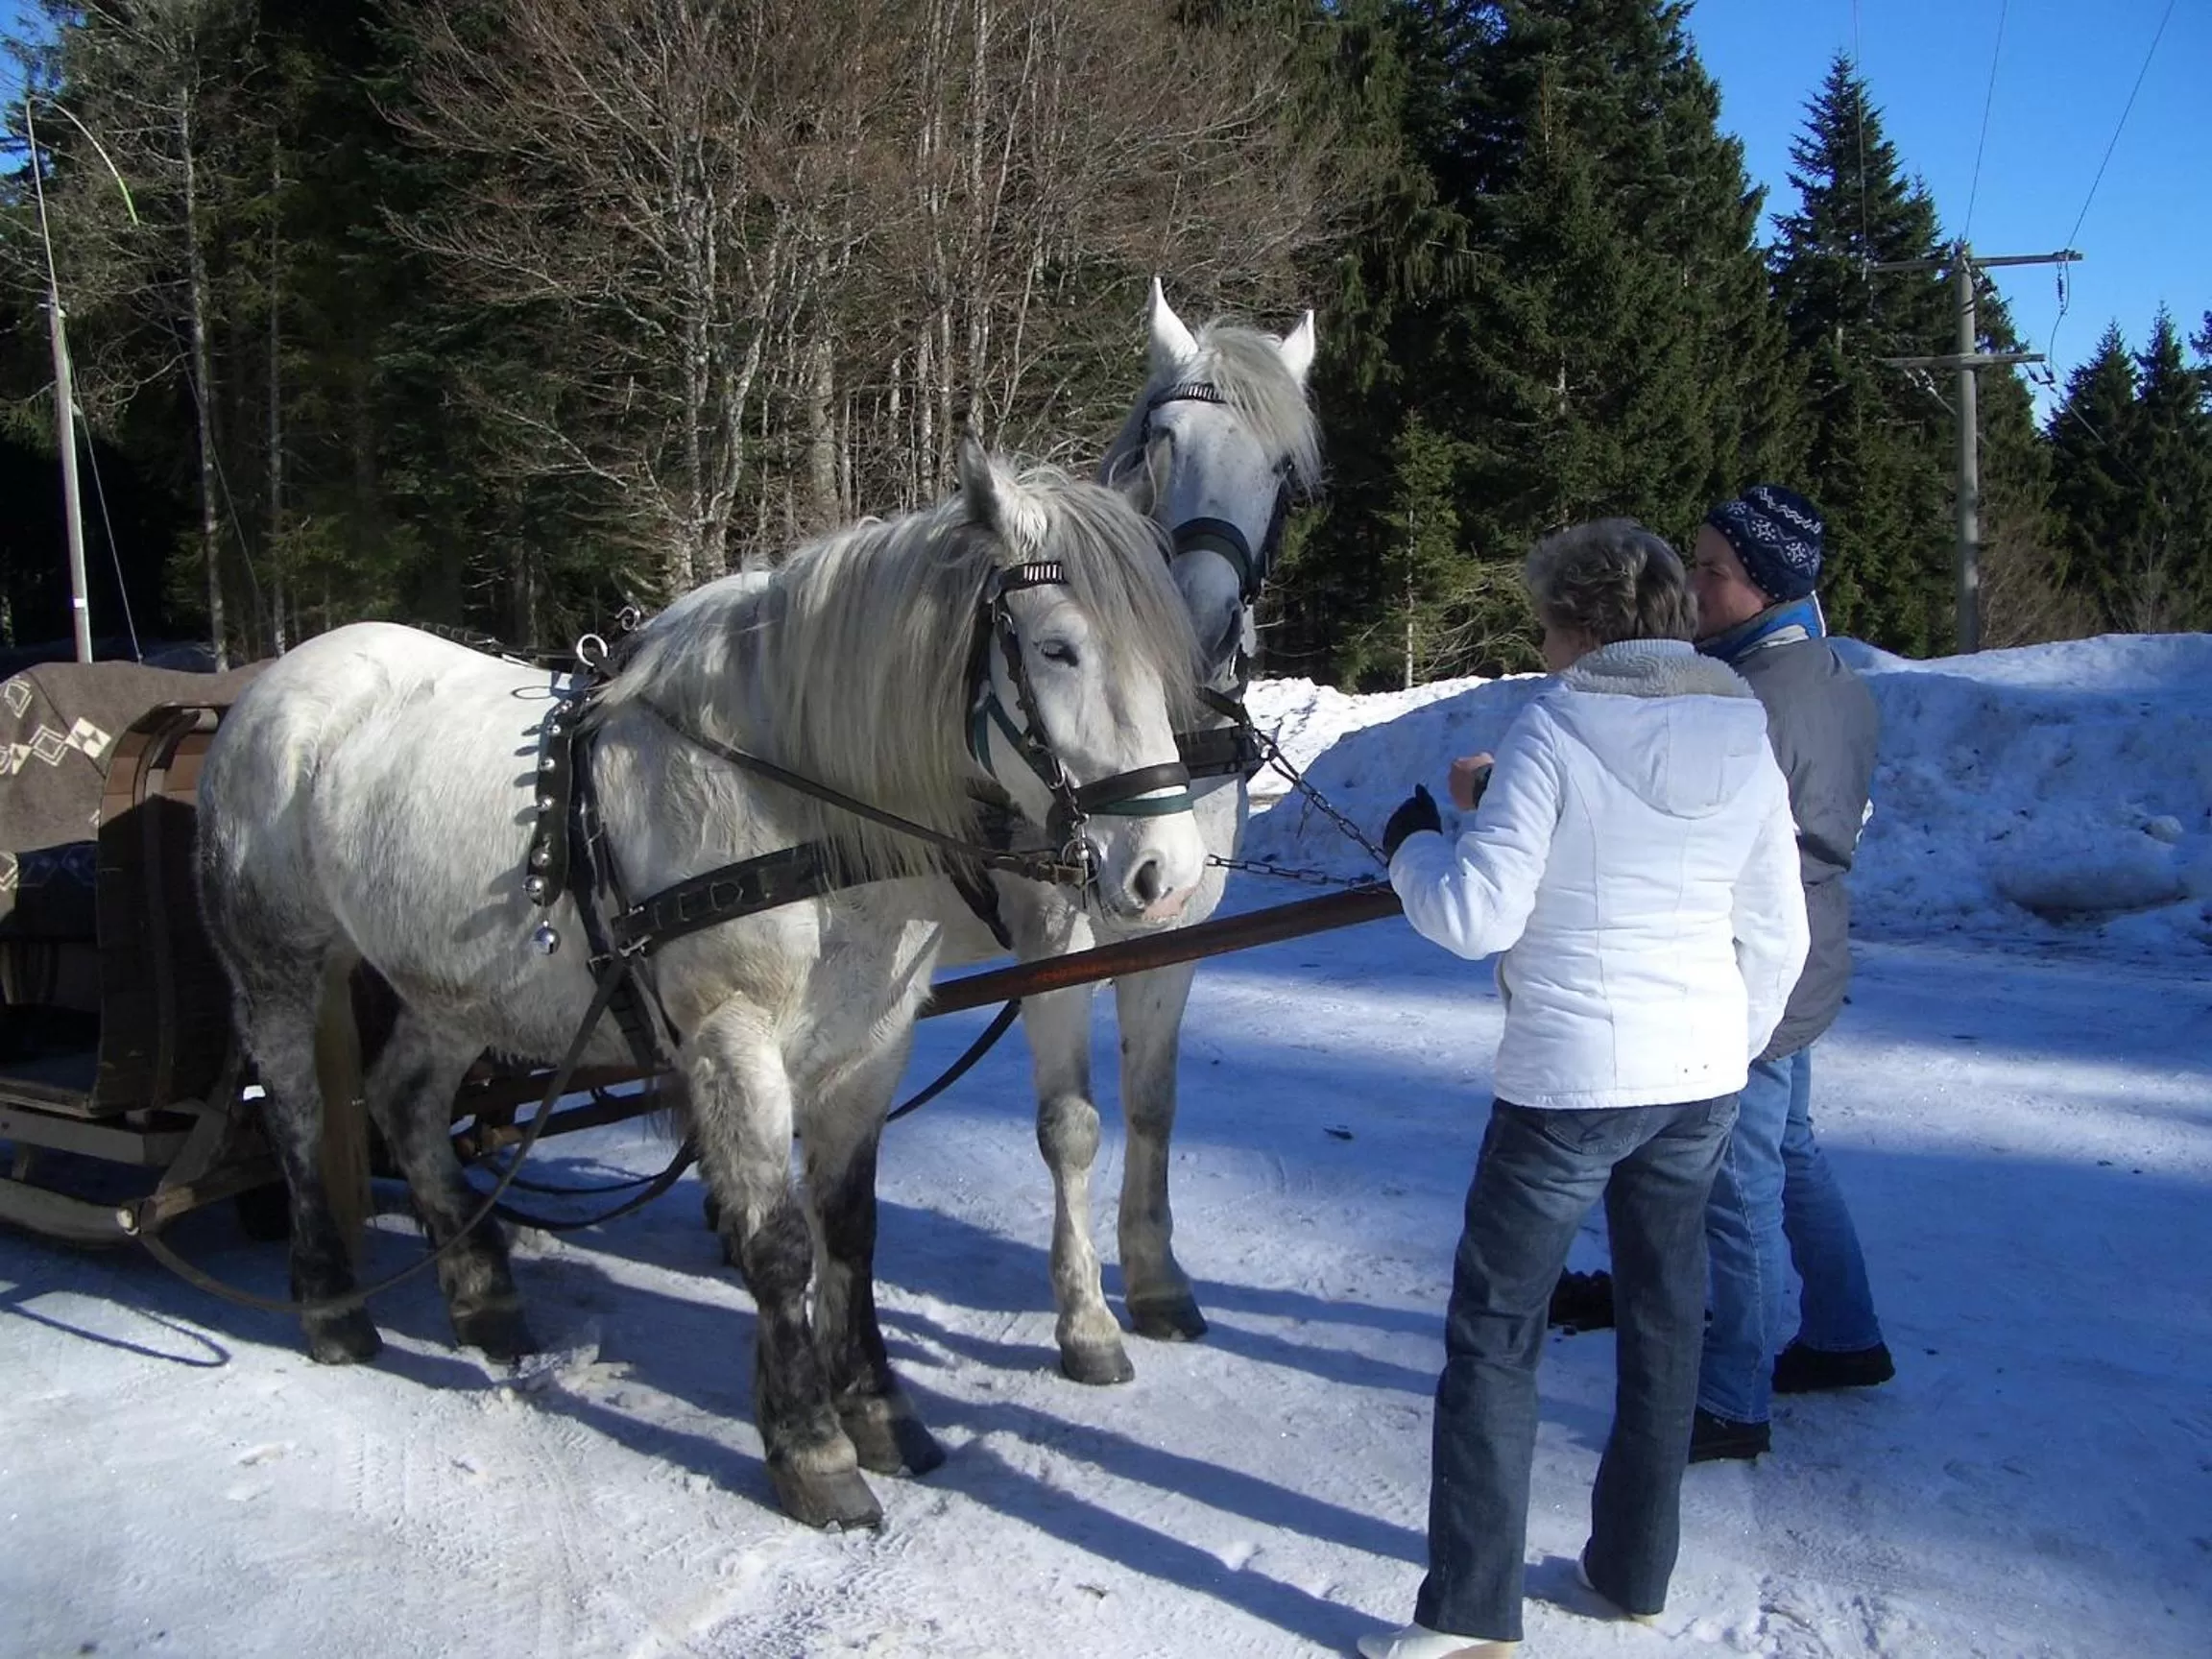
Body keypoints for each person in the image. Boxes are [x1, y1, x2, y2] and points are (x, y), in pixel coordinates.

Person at [1360, 520, 1808, 1659]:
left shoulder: (1557, 723)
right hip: (1701, 1081)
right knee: (1664, 1321)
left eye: (1548, 620)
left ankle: (1469, 1616)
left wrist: (1414, 843)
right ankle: (1631, 1570)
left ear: (1584, 623)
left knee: (1498, 1329)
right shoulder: (1740, 727)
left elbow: (1474, 917)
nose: (1542, 640)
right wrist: (1723, 1047)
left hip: (1570, 1086)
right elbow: (1778, 930)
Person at [1683, 484, 1891, 1464]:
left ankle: (1732, 1400)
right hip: (1810, 961)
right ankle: (1847, 1336)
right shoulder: (1830, 675)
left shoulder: (1756, 702)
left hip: (1756, 976)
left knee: (1742, 1184)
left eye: (1711, 571)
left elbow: (1705, 832)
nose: (1692, 585)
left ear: (1764, 584)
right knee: (1795, 1151)